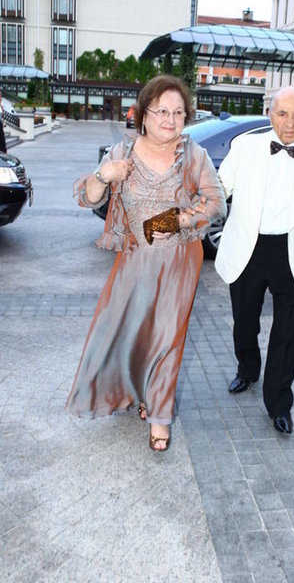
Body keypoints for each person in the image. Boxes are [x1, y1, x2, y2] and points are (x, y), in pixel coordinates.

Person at [66, 75, 226, 452]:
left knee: (168, 336)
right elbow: (89, 199)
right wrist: (103, 175)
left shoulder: (194, 156)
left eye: (178, 113)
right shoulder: (122, 152)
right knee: (132, 333)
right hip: (134, 260)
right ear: (143, 114)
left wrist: (171, 221)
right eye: (162, 111)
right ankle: (139, 393)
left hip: (179, 260)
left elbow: (216, 202)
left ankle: (159, 416)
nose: (170, 120)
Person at [215, 86, 294, 434]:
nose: (290, 123)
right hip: (248, 248)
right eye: (283, 114)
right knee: (244, 320)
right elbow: (219, 189)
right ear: (270, 114)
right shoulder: (245, 146)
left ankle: (279, 403)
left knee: (287, 331)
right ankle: (247, 368)